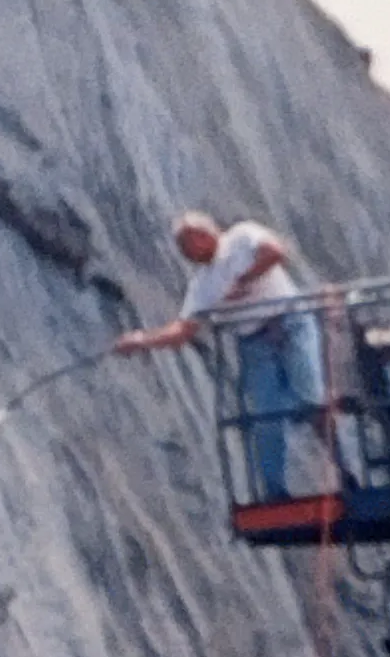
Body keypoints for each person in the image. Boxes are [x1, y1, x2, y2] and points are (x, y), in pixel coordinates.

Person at [114, 210, 326, 500]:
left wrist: (244, 280)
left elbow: (275, 251)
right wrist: (142, 341)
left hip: (290, 323)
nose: (185, 253)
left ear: (204, 235)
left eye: (187, 245)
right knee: (265, 417)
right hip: (254, 342)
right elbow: (183, 330)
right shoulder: (202, 285)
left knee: (310, 394)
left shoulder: (241, 237)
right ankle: (275, 491)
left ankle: (344, 466)